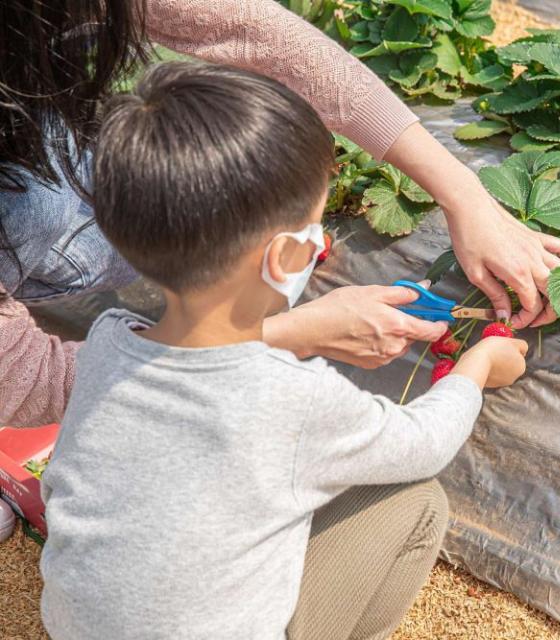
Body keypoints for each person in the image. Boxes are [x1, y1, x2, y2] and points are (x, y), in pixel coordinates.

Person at [40, 61, 529, 639]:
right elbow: (424, 444)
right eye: (317, 224)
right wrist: (476, 366)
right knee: (417, 501)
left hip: (73, 626)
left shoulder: (105, 345)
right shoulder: (294, 398)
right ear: (288, 258)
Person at [0, 0, 560, 427]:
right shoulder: (298, 414)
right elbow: (30, 382)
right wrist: (299, 333)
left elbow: (255, 31)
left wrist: (465, 194)